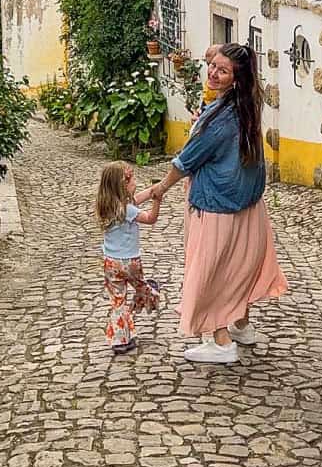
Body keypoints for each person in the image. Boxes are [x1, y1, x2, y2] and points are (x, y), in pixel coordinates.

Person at [152, 43, 288, 364]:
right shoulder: (246, 104)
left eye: (222, 70)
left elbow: (188, 158)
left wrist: (160, 188)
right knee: (239, 266)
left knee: (211, 271)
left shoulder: (221, 121)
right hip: (247, 204)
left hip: (218, 205)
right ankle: (241, 324)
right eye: (212, 65)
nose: (212, 72)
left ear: (236, 79)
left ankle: (221, 341)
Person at [96, 160, 162, 355]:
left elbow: (137, 198)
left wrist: (152, 190)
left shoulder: (107, 205)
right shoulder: (128, 209)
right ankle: (152, 295)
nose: (135, 181)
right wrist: (157, 200)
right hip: (131, 262)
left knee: (117, 301)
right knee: (141, 287)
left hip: (111, 263)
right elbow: (150, 218)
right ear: (122, 186)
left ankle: (120, 340)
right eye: (130, 179)